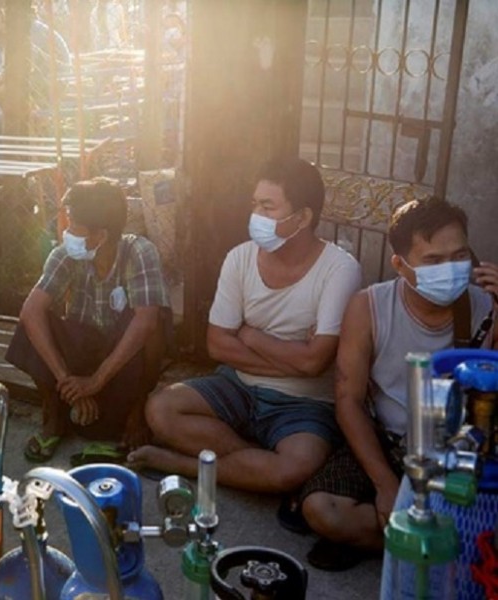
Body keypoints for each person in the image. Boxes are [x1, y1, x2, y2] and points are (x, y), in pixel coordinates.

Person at [130, 157, 362, 493]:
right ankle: (254, 465)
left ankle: (186, 466)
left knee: (292, 468)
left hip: (305, 402)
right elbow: (217, 345)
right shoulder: (240, 257)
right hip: (238, 385)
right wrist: (296, 357)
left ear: (304, 217)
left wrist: (250, 335)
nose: (256, 216)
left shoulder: (339, 269)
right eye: (254, 204)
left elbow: (316, 363)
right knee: (161, 409)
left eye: (268, 207)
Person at [298, 197, 498, 571]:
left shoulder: (486, 306)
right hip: (390, 444)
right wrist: (386, 484)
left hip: (461, 451)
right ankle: (445, 547)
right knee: (322, 510)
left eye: (459, 255)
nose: (451, 269)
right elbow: (348, 400)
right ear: (400, 265)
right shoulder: (369, 307)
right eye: (434, 261)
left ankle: (413, 541)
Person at [6, 177, 171, 462]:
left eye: (74, 226)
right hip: (82, 351)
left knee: (154, 324)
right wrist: (68, 383)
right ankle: (54, 417)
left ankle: (136, 412)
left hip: (123, 360)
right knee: (31, 324)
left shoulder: (139, 252)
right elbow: (31, 311)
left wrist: (96, 381)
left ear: (101, 236)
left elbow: (145, 322)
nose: (67, 232)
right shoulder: (67, 254)